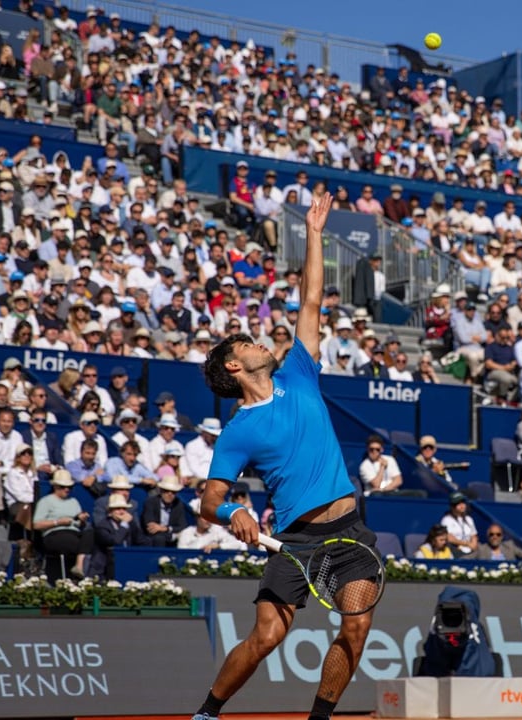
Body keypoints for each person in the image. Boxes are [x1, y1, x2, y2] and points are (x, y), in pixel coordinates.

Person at [194, 194, 380, 720]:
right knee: (267, 636)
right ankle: (207, 713)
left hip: (350, 531)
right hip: (295, 539)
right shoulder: (237, 431)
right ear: (234, 366)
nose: (261, 343)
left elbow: (311, 302)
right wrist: (235, 513)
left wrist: (314, 235)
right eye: (250, 343)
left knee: (357, 627)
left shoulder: (297, 371)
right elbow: (208, 501)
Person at [33, 470, 92, 579]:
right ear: (55, 486)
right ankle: (79, 569)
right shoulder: (46, 501)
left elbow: (78, 523)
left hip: (74, 532)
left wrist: (81, 519)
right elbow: (36, 524)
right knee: (73, 542)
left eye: (69, 487)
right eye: (63, 486)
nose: (67, 489)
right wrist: (58, 522)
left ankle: (79, 565)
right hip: (54, 534)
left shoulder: (74, 501)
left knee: (91, 533)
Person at [89, 494, 146, 579]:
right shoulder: (102, 526)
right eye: (118, 509)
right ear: (110, 512)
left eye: (124, 509)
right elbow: (115, 541)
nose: (122, 512)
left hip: (127, 563)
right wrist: (124, 524)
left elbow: (141, 541)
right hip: (105, 569)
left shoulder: (130, 524)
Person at [141, 477, 190, 546]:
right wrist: (168, 531)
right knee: (159, 538)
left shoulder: (178, 504)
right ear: (161, 491)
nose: (170, 494)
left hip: (170, 535)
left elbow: (182, 525)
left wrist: (166, 528)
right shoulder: (150, 502)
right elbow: (150, 526)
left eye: (173, 492)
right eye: (166, 491)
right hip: (154, 537)